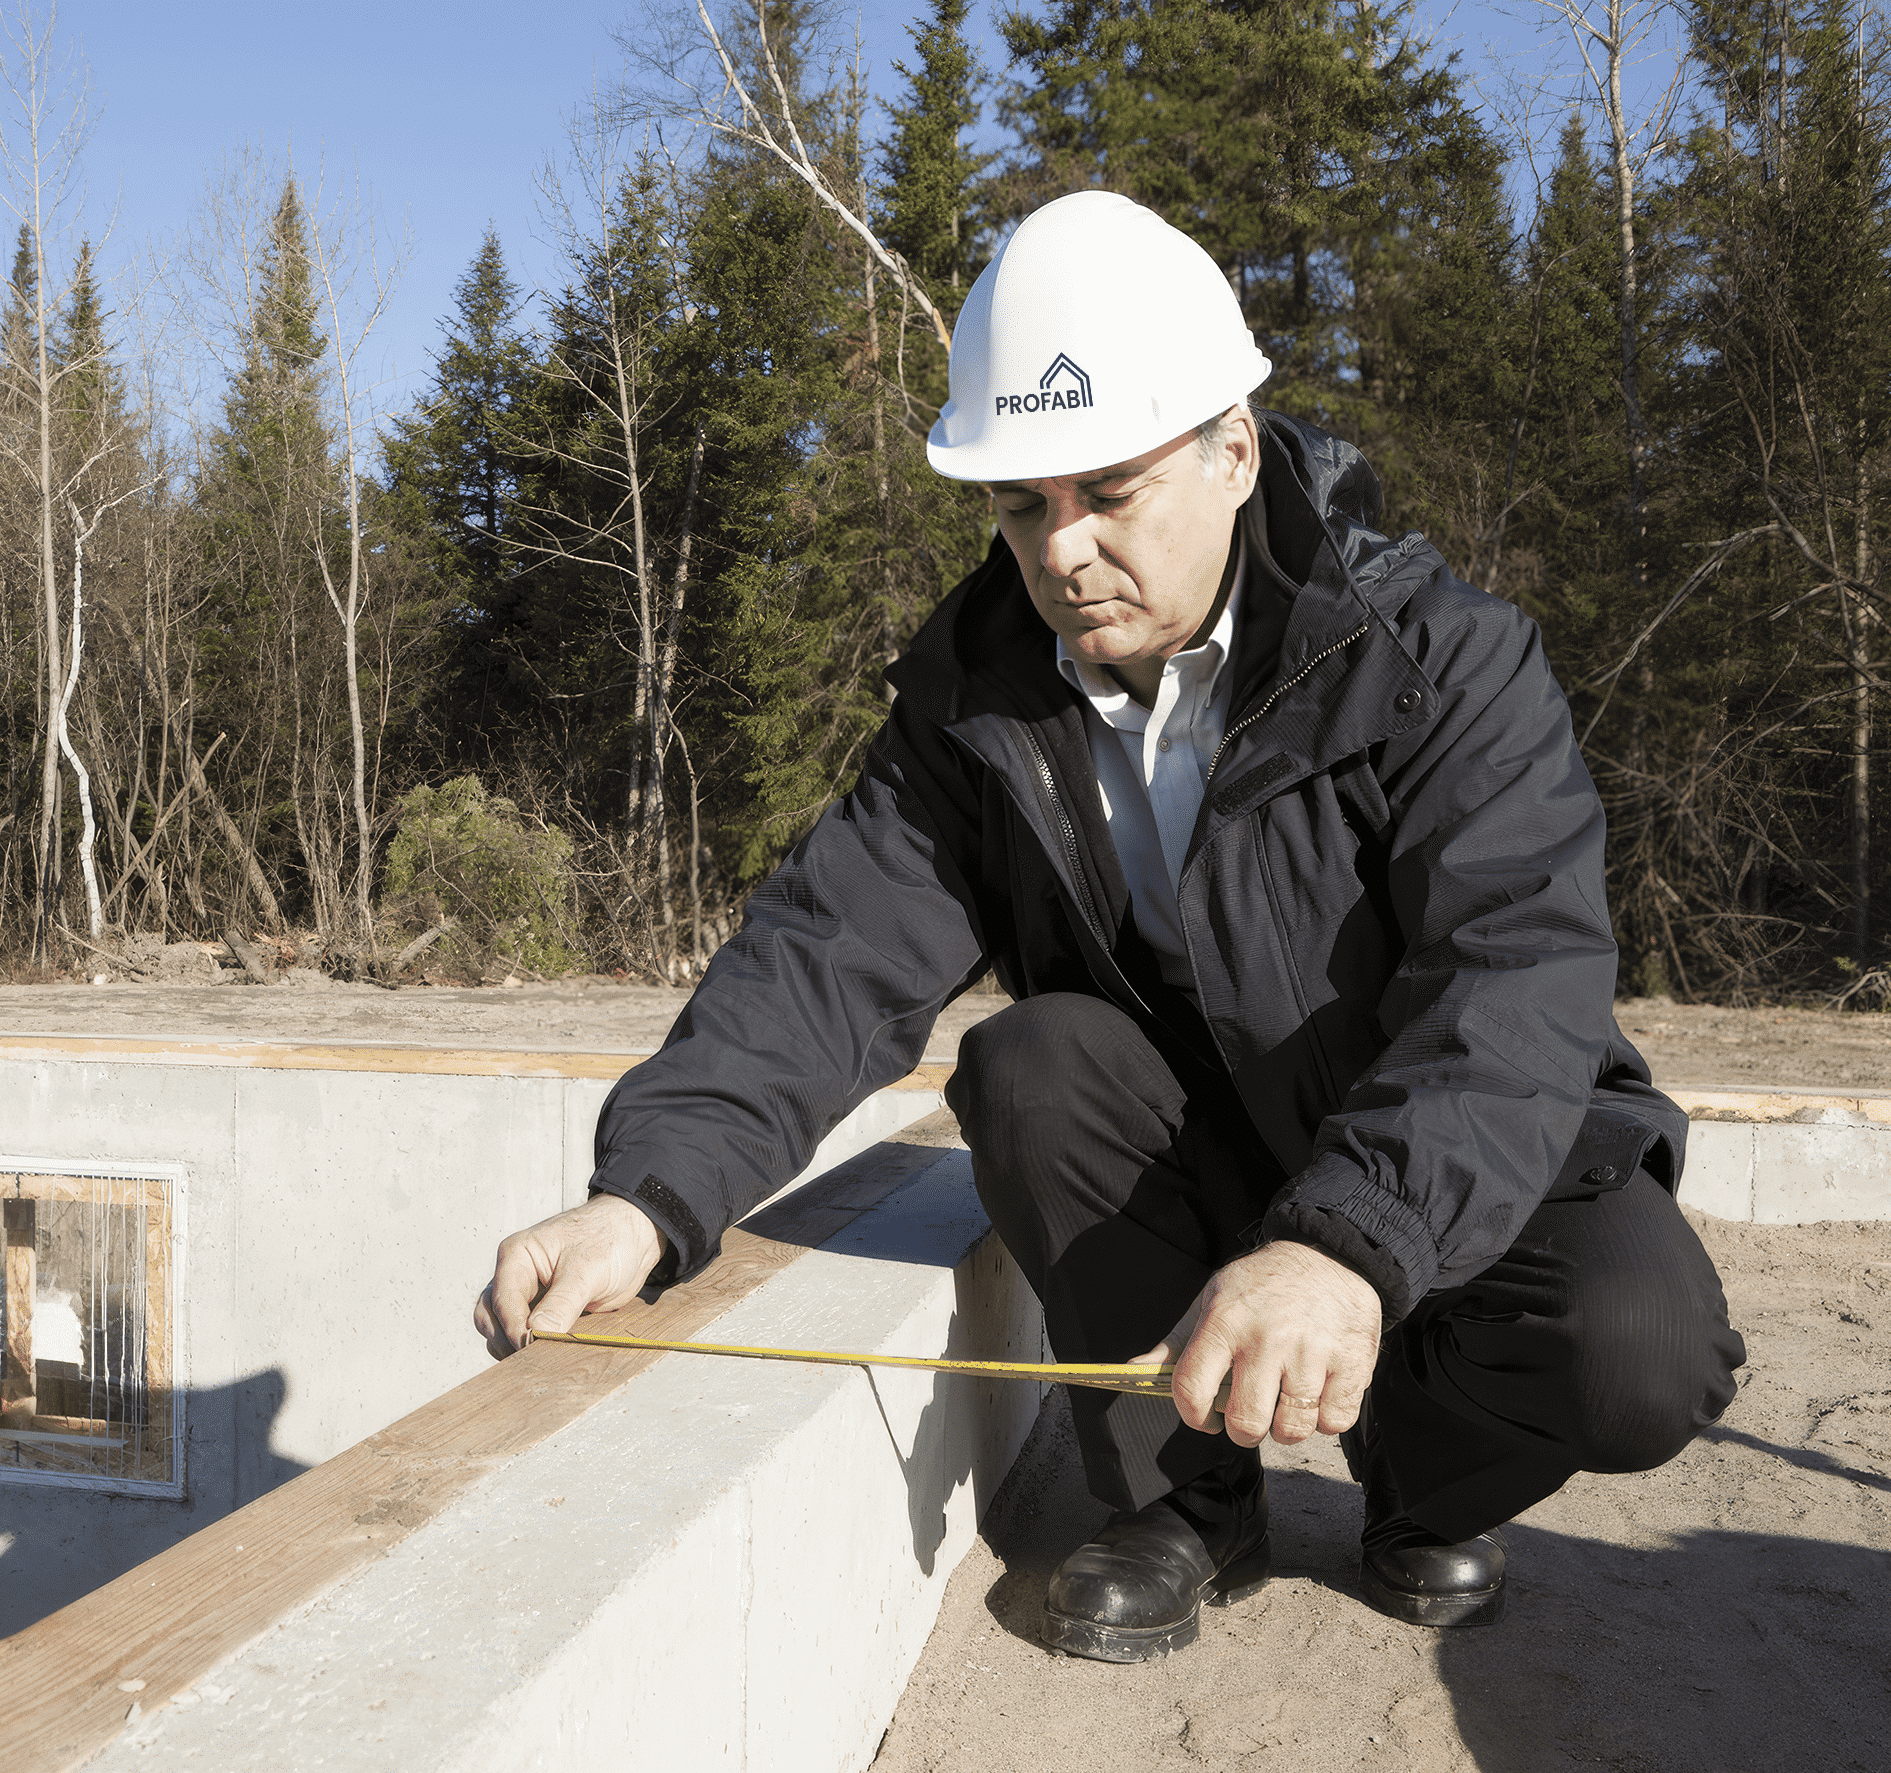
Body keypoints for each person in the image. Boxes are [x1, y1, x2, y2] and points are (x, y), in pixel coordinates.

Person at [473, 192, 1745, 1664]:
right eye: (1023, 506)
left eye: (1110, 490)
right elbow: (827, 959)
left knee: (1639, 1351)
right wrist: (646, 1196)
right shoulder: (975, 704)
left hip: (1425, 1130)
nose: (1063, 551)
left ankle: (1420, 1472)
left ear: (1233, 450)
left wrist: (1348, 1251)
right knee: (1032, 1062)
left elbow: (1518, 978)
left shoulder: (1437, 662)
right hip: (1177, 1147)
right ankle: (1188, 1503)